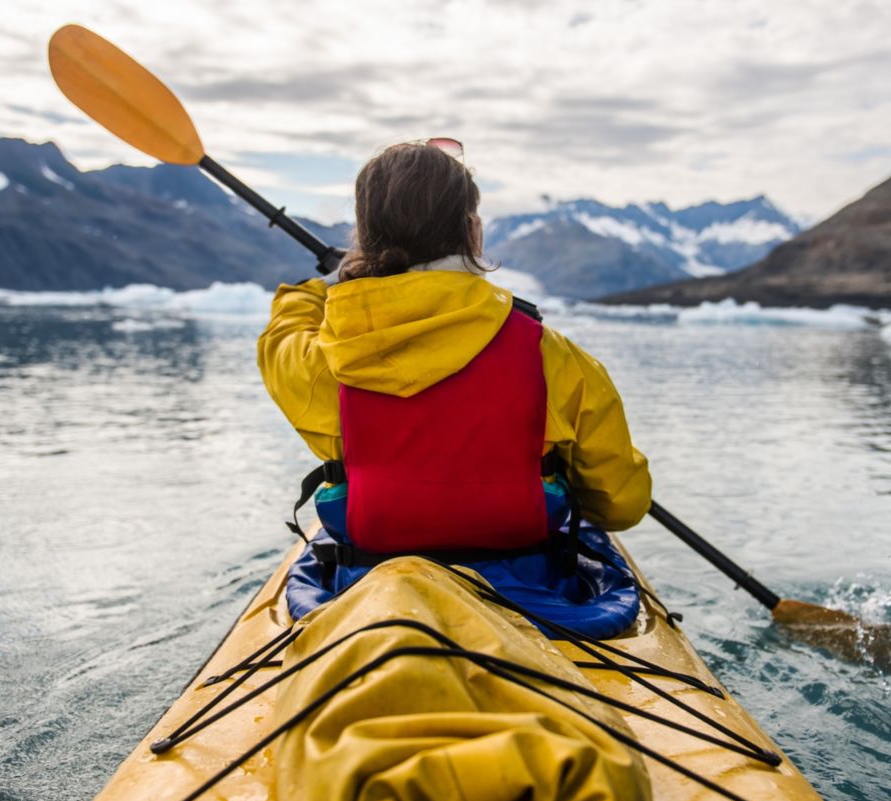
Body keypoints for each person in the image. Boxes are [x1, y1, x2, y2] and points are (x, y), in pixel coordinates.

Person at [257, 139, 651, 572]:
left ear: (364, 240)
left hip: (375, 576)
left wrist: (328, 282)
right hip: (525, 572)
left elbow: (284, 332)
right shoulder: (554, 358)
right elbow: (621, 507)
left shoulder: (322, 363)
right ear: (472, 231)